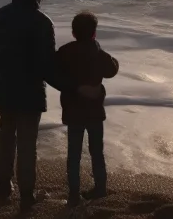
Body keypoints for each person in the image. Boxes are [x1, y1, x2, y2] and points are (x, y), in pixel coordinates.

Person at [0, 0, 97, 211]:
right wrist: (75, 88)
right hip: (29, 91)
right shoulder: (42, 22)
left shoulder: (0, 16)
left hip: (4, 87)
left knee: (6, 136)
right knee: (27, 143)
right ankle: (26, 195)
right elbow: (46, 66)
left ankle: (4, 188)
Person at [56, 11, 119, 206]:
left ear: (74, 33)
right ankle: (100, 188)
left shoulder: (65, 52)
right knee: (96, 152)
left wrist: (73, 87)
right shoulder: (99, 54)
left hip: (73, 111)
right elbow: (113, 69)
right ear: (94, 33)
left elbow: (54, 72)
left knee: (73, 154)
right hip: (94, 112)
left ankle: (74, 194)